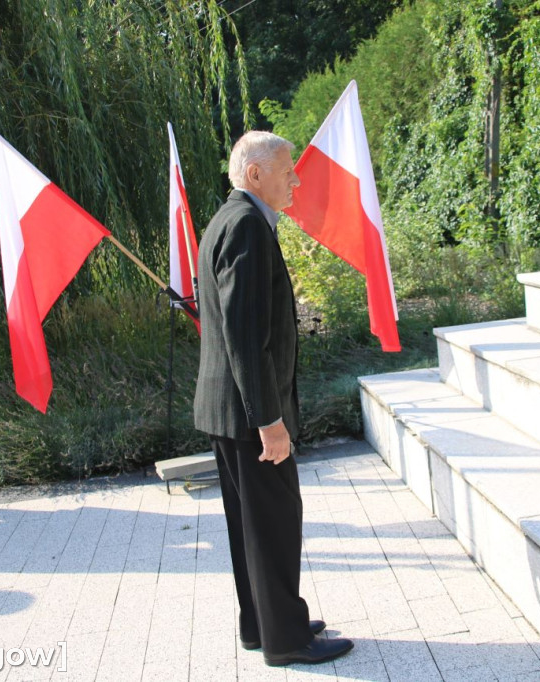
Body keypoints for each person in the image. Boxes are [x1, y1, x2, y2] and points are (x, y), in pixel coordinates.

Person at [193, 131, 354, 667]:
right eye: (287, 171)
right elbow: (245, 336)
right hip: (249, 414)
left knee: (250, 526)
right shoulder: (247, 227)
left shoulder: (226, 219)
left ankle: (262, 623)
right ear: (256, 174)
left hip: (227, 409)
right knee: (275, 523)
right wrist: (270, 421)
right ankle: (286, 639)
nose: (295, 180)